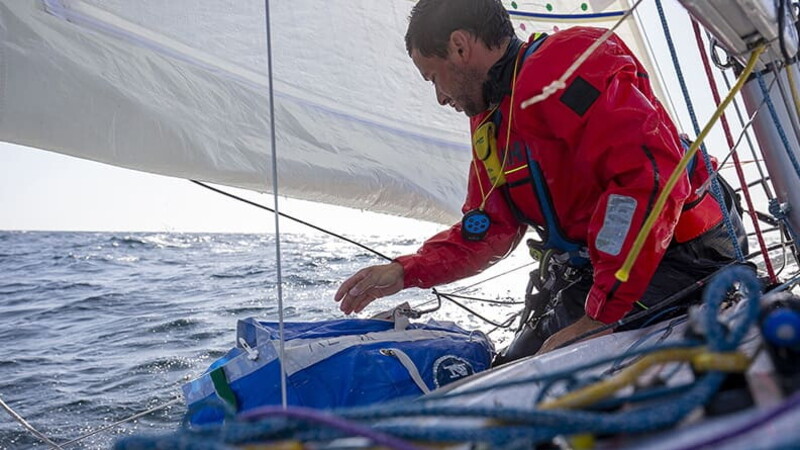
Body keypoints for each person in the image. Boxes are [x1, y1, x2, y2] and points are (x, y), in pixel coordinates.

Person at [334, 0, 747, 364]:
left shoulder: (566, 68)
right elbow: (487, 229)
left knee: (539, 371)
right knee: (508, 368)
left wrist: (601, 315)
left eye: (433, 78)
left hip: (680, 255)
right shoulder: (491, 123)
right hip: (605, 273)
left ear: (460, 47)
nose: (440, 97)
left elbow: (647, 178)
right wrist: (405, 271)